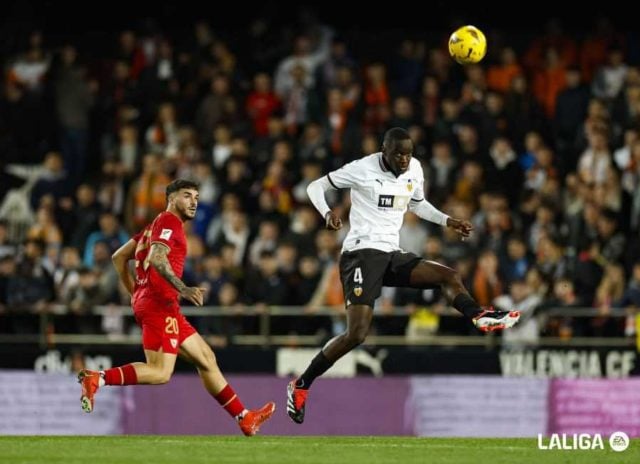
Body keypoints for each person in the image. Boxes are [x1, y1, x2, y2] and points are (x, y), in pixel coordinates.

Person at [287, 127, 521, 424]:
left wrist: (448, 220)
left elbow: (417, 204)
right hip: (361, 253)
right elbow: (314, 187)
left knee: (447, 275)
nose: (404, 159)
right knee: (357, 334)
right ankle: (301, 384)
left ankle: (479, 316)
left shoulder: (415, 169)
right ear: (384, 151)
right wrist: (327, 213)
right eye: (398, 154)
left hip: (391, 253)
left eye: (408, 154)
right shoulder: (361, 169)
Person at [78, 179, 275, 436]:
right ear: (171, 199)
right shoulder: (169, 222)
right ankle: (98, 378)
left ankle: (244, 418)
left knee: (206, 358)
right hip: (161, 304)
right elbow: (158, 258)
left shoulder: (151, 229)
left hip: (158, 304)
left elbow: (119, 258)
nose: (194, 201)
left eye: (196, 196)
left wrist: (136, 292)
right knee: (160, 372)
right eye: (186, 195)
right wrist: (182, 288)